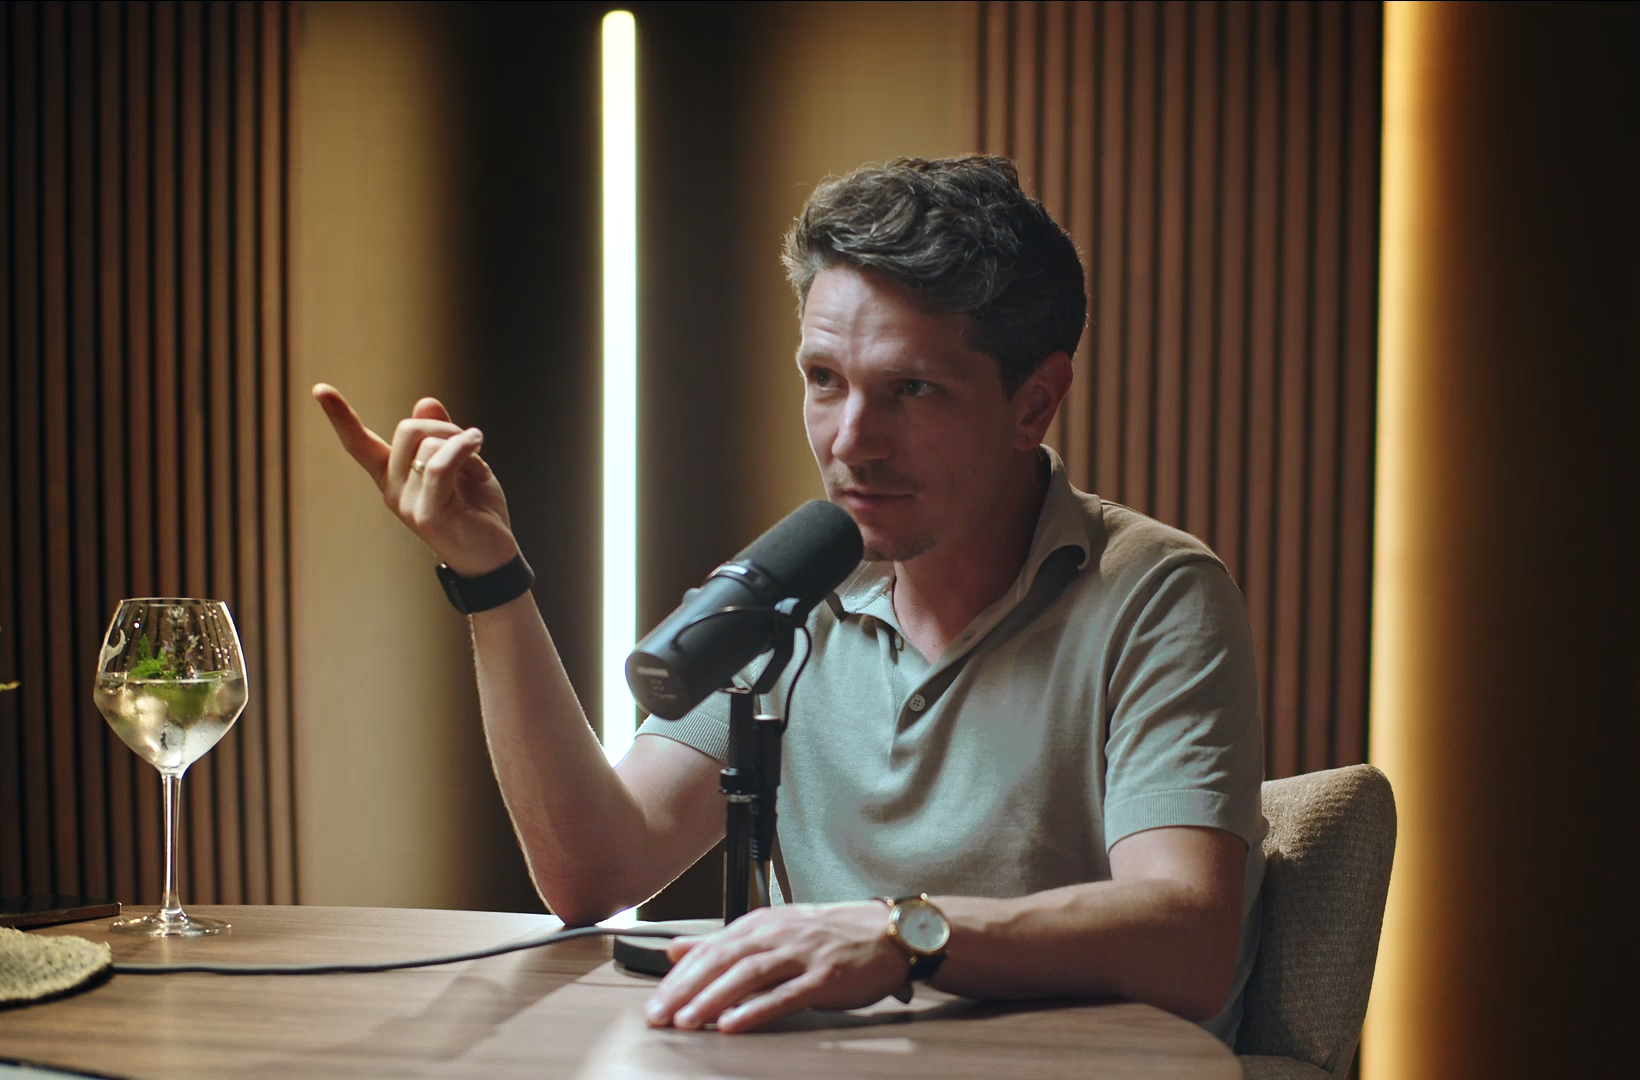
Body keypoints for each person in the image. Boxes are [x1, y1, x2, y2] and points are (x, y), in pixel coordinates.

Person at [313, 155, 1266, 1041]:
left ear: (1035, 403)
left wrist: (901, 935)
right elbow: (595, 869)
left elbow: (1187, 938)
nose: (852, 439)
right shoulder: (800, 582)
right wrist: (490, 577)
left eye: (913, 390)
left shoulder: (1156, 594)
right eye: (824, 380)